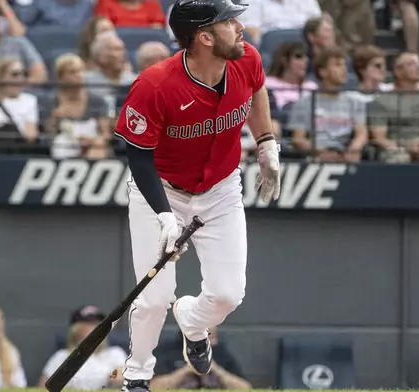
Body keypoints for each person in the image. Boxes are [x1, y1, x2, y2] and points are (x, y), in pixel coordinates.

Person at [113, 0, 281, 390]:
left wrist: (266, 141)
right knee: (155, 298)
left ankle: (193, 321)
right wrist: (164, 216)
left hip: (220, 189)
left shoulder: (246, 58)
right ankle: (137, 376)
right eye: (229, 22)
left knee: (227, 295)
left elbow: (256, 90)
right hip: (161, 191)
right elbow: (137, 155)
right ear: (204, 37)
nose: (240, 27)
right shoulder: (155, 84)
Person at [38, 305, 127, 390]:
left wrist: (113, 378)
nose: (97, 328)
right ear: (76, 330)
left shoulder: (115, 353)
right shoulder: (61, 356)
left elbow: (120, 376)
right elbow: (43, 388)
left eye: (99, 324)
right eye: (89, 324)